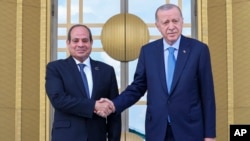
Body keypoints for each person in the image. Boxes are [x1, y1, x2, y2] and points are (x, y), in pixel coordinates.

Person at [97, 3, 216, 141]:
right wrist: (113, 105)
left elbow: (207, 95)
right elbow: (137, 87)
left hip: (190, 130)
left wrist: (210, 135)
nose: (171, 27)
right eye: (165, 22)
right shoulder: (148, 52)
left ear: (182, 21)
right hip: (158, 131)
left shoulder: (199, 50)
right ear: (157, 25)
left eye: (175, 21)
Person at [45, 24, 121, 141]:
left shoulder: (107, 71)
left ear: (91, 43)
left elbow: (113, 110)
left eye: (85, 40)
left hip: (97, 136)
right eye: (75, 40)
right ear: (68, 43)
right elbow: (58, 99)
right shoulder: (55, 68)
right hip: (66, 136)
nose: (80, 44)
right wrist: (93, 105)